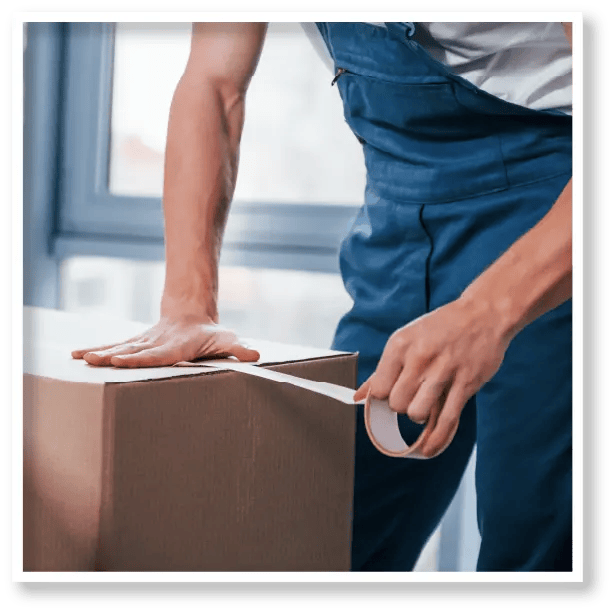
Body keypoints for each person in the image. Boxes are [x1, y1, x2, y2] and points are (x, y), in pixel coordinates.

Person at [72, 22, 573, 571]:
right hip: (400, 225)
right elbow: (213, 82)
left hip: (557, 215)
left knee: (537, 543)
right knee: (329, 530)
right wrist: (188, 306)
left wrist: (489, 310)